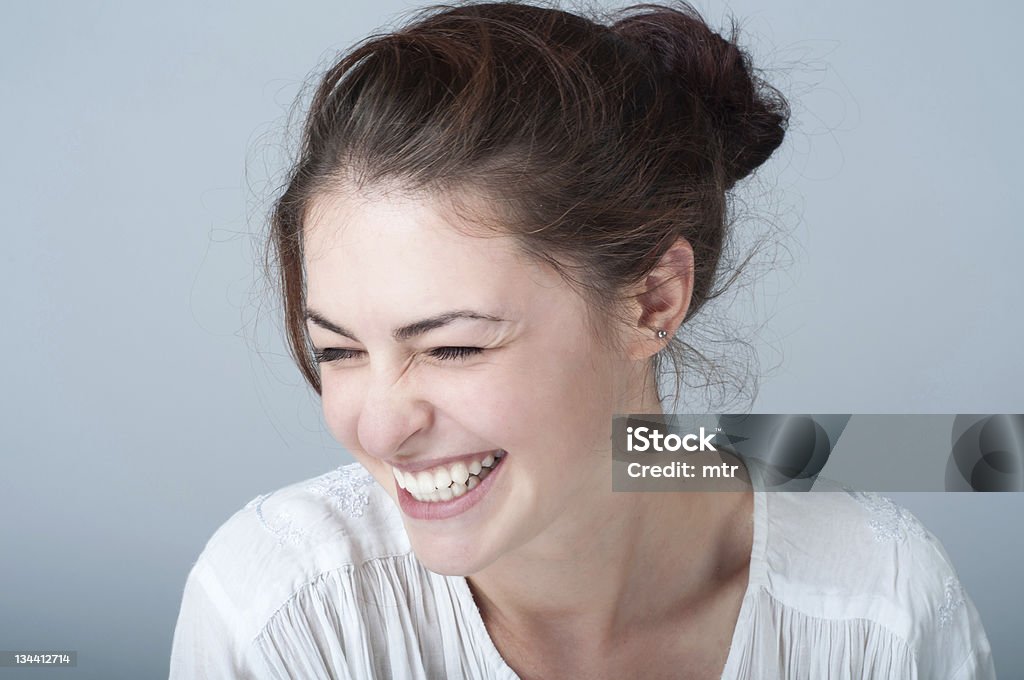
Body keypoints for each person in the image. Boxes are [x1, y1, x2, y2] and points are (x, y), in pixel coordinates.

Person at [170, 2, 996, 678]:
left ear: (653, 301)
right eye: (339, 351)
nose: (379, 430)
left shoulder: (877, 613)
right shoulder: (284, 612)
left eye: (454, 347)